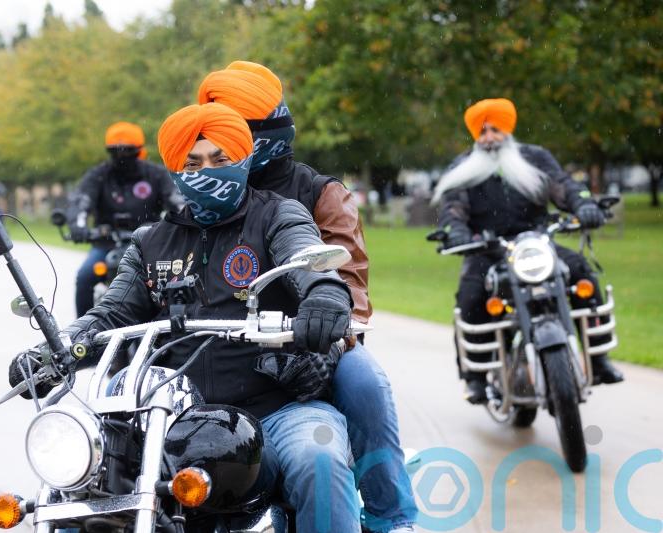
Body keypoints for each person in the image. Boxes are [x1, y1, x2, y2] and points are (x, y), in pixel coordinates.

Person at [10, 103, 361, 532]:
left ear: (245, 158)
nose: (206, 171)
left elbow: (310, 264)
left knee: (318, 459)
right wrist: (56, 349)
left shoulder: (278, 215)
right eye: (192, 163)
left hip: (277, 407)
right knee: (86, 480)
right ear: (175, 170)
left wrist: (323, 296)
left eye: (221, 159)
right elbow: (112, 312)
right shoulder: (151, 242)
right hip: (171, 416)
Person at [198, 61, 416, 533]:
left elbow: (350, 281)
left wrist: (330, 339)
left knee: (365, 382)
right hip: (219, 348)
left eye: (228, 130)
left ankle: (390, 516)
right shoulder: (203, 194)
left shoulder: (320, 193)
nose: (209, 155)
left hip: (309, 346)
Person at [432, 98, 624, 404]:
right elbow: (453, 208)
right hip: (487, 249)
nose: (489, 137)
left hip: (536, 243)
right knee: (471, 295)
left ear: (507, 129)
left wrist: (584, 205)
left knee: (581, 274)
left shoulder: (535, 158)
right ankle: (476, 378)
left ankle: (599, 359)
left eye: (495, 129)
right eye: (481, 131)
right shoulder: (464, 168)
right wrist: (456, 231)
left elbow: (564, 187)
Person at [66, 121, 183, 317]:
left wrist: (184, 219)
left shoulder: (155, 174)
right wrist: (78, 225)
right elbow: (81, 200)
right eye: (116, 151)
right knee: (85, 276)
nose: (122, 156)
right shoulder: (99, 175)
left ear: (139, 150)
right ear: (109, 151)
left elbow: (177, 200)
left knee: (172, 280)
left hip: (149, 242)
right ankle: (83, 336)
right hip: (106, 243)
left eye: (128, 151)